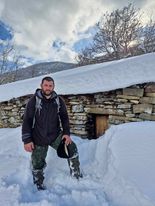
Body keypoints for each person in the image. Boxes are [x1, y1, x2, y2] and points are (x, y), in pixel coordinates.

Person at [22, 76, 82, 190]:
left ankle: (76, 175)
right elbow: (27, 121)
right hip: (38, 137)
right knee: (37, 162)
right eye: (46, 85)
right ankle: (38, 183)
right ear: (41, 86)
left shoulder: (58, 100)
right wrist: (27, 140)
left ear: (53, 86)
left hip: (55, 135)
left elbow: (64, 117)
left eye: (50, 85)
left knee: (71, 148)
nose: (48, 88)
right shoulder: (33, 101)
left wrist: (66, 133)